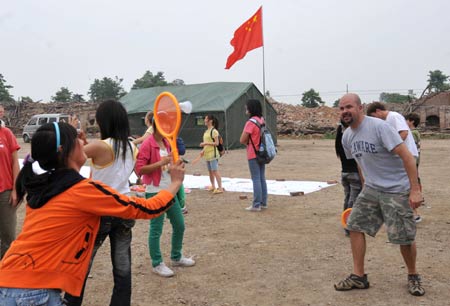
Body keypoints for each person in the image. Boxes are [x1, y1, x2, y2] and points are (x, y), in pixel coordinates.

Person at [0, 122, 183, 305]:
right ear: (64, 150)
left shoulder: (43, 185)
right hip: (33, 293)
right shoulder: (81, 190)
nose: (83, 143)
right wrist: (174, 183)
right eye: (77, 139)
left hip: (8, 281)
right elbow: (146, 208)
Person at [334, 93, 425, 296]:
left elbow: (407, 156)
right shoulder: (347, 136)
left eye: (348, 107)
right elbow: (360, 162)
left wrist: (415, 189)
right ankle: (359, 277)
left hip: (396, 189)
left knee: (404, 237)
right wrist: (365, 183)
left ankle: (413, 275)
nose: (344, 111)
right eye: (341, 108)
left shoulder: (379, 127)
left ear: (360, 107)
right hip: (372, 189)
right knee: (354, 225)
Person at [64, 100, 138, 306]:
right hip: (124, 207)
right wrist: (84, 141)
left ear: (104, 120)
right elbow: (105, 159)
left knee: (82, 264)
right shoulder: (131, 146)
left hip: (99, 211)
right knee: (123, 268)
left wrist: (71, 133)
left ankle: (71, 303)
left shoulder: (100, 146)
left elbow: (71, 159)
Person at [135, 118, 195, 278]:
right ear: (157, 126)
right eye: (166, 125)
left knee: (179, 224)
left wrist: (175, 164)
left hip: (169, 190)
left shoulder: (167, 142)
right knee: (156, 228)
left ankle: (176, 256)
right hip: (154, 191)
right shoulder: (148, 143)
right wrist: (160, 162)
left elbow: (169, 163)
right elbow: (139, 169)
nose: (169, 128)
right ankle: (157, 263)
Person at [366, 102, 421, 223]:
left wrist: (389, 146)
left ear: (378, 111)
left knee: (405, 186)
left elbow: (404, 133)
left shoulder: (393, 116)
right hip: (402, 156)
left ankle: (413, 214)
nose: (374, 120)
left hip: (408, 155)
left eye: (373, 116)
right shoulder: (387, 120)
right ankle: (411, 213)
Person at [239, 99, 268, 212]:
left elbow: (242, 139)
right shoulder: (261, 120)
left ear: (251, 108)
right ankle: (263, 203)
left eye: (247, 107)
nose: (246, 109)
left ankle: (256, 205)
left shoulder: (250, 122)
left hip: (253, 153)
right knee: (261, 178)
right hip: (262, 152)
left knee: (255, 178)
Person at [335, 120, 362, 236]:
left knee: (347, 199)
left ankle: (345, 221)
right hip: (354, 173)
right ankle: (349, 225)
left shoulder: (339, 138)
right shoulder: (350, 138)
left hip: (344, 172)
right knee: (353, 200)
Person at [0, 116, 20, 259]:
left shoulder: (6, 133)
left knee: (8, 236)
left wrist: (16, 189)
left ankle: (5, 272)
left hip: (5, 192)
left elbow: (15, 162)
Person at [405, 112, 423, 222]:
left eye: (406, 120)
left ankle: (414, 214)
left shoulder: (412, 133)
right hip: (415, 162)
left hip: (412, 162)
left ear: (411, 121)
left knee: (409, 187)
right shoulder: (416, 132)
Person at [200, 114, 224, 194]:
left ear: (210, 121)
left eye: (206, 119)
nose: (204, 120)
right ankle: (213, 186)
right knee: (210, 171)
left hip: (213, 154)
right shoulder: (207, 131)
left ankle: (220, 188)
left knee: (215, 171)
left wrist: (205, 143)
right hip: (207, 155)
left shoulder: (214, 131)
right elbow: (207, 144)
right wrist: (203, 150)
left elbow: (216, 143)